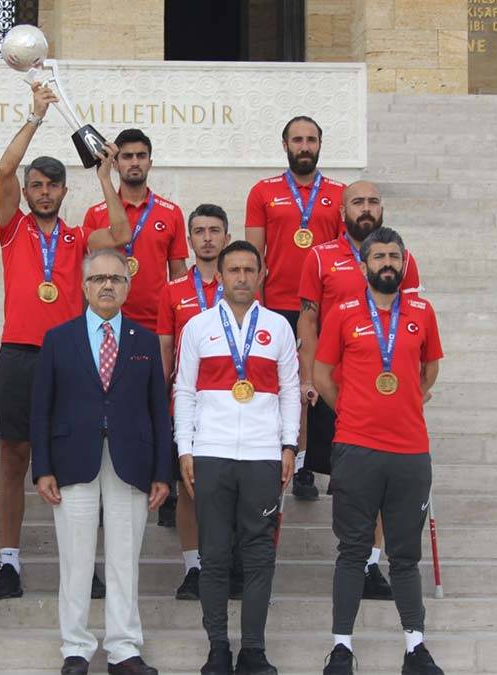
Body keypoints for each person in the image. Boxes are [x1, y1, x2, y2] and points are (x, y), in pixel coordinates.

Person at [0, 81, 131, 601]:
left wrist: (104, 175)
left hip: (71, 359)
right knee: (15, 457)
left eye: (52, 185)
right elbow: (3, 170)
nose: (43, 192)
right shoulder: (12, 230)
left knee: (78, 461)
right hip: (19, 357)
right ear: (27, 193)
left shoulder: (77, 240)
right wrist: (36, 116)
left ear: (65, 192)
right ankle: (8, 562)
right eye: (36, 186)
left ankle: (85, 565)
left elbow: (119, 233)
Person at [31, 247, 171, 675]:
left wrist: (162, 472)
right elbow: (42, 407)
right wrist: (43, 468)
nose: (107, 285)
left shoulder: (145, 340)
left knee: (124, 556)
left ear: (127, 286)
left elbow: (158, 410)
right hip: (73, 459)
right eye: (98, 279)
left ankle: (124, 648)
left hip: (132, 462)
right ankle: (76, 647)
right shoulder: (59, 338)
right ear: (84, 286)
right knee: (75, 556)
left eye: (115, 278)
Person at [314, 227, 444, 675]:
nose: (387, 262)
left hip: (410, 452)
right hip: (356, 448)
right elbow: (323, 373)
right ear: (364, 264)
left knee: (405, 556)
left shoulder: (423, 312)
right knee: (352, 551)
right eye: (379, 256)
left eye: (394, 256)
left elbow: (430, 370)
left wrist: (408, 399)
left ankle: (416, 647)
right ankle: (341, 648)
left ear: (403, 263)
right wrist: (350, 410)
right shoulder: (344, 312)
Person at [174, 240, 300, 675]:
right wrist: (185, 448)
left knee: (260, 554)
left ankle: (254, 651)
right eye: (234, 271)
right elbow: (184, 391)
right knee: (214, 554)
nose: (242, 278)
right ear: (221, 276)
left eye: (249, 270)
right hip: (211, 452)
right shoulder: (198, 327)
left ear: (261, 274)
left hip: (264, 456)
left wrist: (289, 446)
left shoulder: (280, 328)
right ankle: (217, 650)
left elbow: (289, 391)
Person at [298, 181, 422, 602]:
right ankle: (354, 554)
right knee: (348, 482)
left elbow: (417, 328)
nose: (365, 208)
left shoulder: (401, 259)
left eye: (372, 201)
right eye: (357, 202)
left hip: (386, 393)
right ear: (342, 209)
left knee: (383, 483)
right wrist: (311, 376)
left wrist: (413, 391)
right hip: (336, 385)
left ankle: (370, 563)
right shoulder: (319, 256)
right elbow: (308, 321)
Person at [82, 127, 188, 528]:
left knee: (158, 407)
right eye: (126, 156)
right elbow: (90, 276)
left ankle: (166, 480)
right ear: (116, 161)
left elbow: (178, 275)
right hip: (113, 326)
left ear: (150, 161)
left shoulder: (170, 213)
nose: (134, 163)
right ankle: (113, 482)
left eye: (141, 155)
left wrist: (179, 327)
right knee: (115, 407)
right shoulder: (98, 214)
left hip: (156, 327)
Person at [244, 115, 345, 501]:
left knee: (328, 382)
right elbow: (255, 255)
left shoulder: (339, 193)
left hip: (325, 308)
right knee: (294, 385)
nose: (305, 146)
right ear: (284, 145)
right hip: (279, 304)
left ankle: (333, 461)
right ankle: (298, 462)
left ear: (321, 144)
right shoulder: (263, 192)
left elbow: (346, 252)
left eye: (312, 140)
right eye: (297, 140)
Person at [155, 204, 231, 600]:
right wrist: (162, 395)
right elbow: (166, 346)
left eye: (214, 230)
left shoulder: (240, 285)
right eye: (199, 231)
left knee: (229, 488)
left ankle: (224, 563)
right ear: (189, 240)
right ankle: (194, 568)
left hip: (232, 403)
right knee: (189, 487)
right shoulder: (172, 291)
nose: (207, 238)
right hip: (188, 402)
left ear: (226, 238)